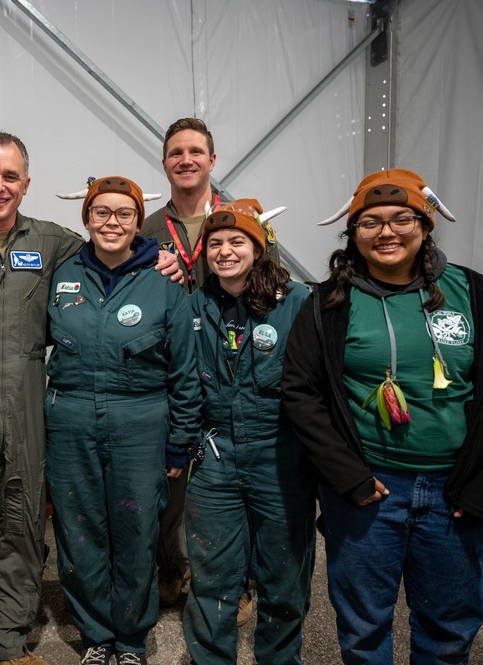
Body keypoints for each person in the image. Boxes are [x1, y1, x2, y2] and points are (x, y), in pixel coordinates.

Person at [0, 132, 181, 665]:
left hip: (27, 403)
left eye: (10, 177)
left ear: (27, 185)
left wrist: (159, 256)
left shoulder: (53, 241)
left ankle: (7, 645)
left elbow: (114, 250)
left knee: (22, 531)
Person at [281, 169, 483, 664]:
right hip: (369, 493)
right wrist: (347, 477)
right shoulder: (327, 305)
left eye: (401, 219)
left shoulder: (479, 297)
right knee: (363, 629)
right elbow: (301, 393)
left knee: (448, 630)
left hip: (455, 492)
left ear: (426, 224)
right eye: (370, 222)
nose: (386, 232)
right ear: (353, 234)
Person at [45, 176, 194, 665]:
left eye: (123, 213)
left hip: (140, 419)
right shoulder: (61, 273)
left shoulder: (165, 279)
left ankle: (130, 639)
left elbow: (185, 370)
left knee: (135, 530)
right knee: (77, 528)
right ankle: (94, 634)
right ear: (86, 219)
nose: (112, 222)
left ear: (137, 221)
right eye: (101, 212)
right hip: (70, 419)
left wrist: (179, 442)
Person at [140, 117, 267, 618]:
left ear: (212, 160)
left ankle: (239, 583)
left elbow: (268, 288)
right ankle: (171, 568)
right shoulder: (146, 228)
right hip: (169, 370)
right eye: (176, 153)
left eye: (196, 151)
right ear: (165, 162)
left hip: (235, 370)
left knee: (237, 481)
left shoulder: (242, 218)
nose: (186, 160)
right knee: (168, 479)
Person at [180, 199, 315, 664]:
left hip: (281, 457)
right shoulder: (195, 305)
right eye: (215, 244)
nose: (225, 251)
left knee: (283, 578)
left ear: (258, 249)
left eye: (237, 241)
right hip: (216, 455)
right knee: (212, 578)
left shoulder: (296, 302)